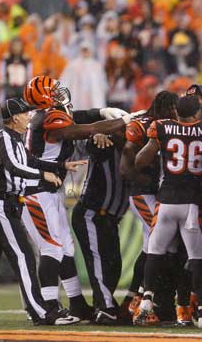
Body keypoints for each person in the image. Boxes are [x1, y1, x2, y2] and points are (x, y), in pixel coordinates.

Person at [0, 98, 82, 326]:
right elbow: (16, 167)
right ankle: (42, 313)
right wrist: (44, 175)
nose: (30, 117)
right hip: (1, 204)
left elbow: (30, 160)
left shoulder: (15, 139)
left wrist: (60, 167)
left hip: (7, 204)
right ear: (15, 118)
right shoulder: (5, 139)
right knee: (24, 256)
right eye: (26, 113)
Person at [20, 75, 133, 321]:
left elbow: (79, 117)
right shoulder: (48, 117)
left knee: (65, 247)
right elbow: (84, 129)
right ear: (47, 98)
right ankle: (48, 307)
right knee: (51, 248)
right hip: (36, 192)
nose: (61, 93)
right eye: (55, 91)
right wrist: (121, 121)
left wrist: (102, 110)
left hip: (49, 191)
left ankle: (76, 303)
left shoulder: (47, 115)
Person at [133, 94, 202, 329]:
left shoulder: (162, 127)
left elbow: (141, 160)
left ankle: (146, 301)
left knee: (155, 252)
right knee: (198, 258)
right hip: (192, 203)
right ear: (196, 114)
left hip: (166, 200)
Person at [119, 91, 179, 320]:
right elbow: (126, 151)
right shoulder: (146, 124)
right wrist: (136, 175)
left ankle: (132, 299)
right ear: (166, 107)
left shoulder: (150, 121)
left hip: (154, 193)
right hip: (143, 194)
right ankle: (143, 298)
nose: (175, 113)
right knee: (161, 239)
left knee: (150, 246)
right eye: (173, 108)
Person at [71, 130, 130, 325]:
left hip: (109, 218)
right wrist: (96, 135)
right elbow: (89, 146)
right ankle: (106, 308)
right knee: (99, 264)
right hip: (92, 213)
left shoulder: (139, 145)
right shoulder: (105, 142)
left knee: (113, 266)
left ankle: (102, 306)